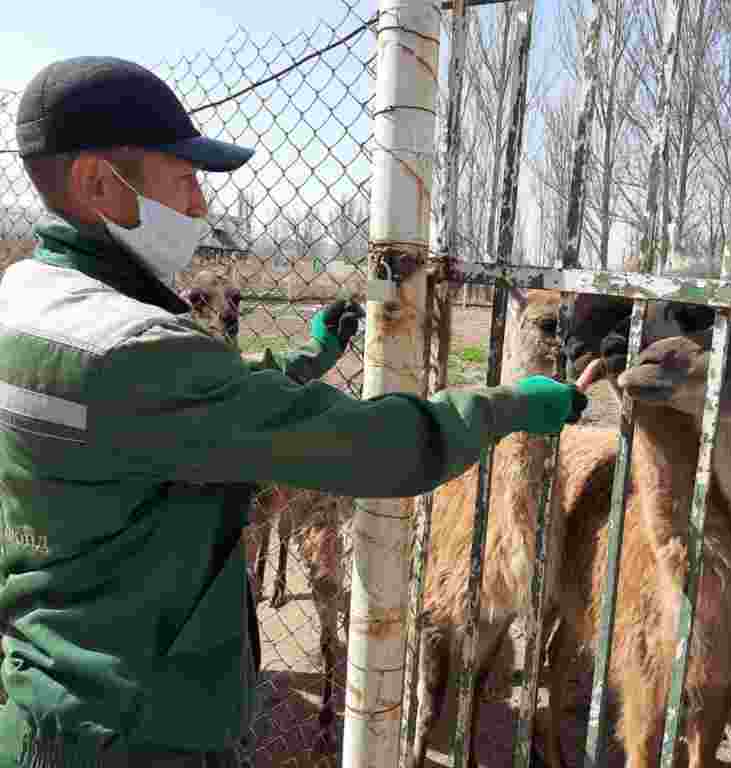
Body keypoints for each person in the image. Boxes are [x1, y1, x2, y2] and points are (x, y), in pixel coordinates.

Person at [0, 56, 587, 767]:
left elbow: (182, 406)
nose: (198, 207)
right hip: (136, 727)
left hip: (46, 690)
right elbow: (374, 445)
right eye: (184, 180)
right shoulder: (133, 350)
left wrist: (306, 359)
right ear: (97, 182)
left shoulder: (25, 298)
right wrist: (509, 404)